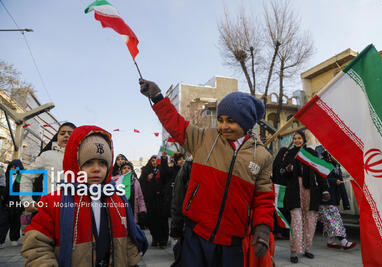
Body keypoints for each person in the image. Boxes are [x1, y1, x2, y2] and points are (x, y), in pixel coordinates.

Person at [139, 79, 275, 267]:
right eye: (220, 120)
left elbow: (264, 198)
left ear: (246, 122)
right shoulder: (204, 138)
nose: (223, 126)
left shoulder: (262, 156)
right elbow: (176, 124)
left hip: (232, 241)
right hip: (197, 234)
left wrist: (262, 230)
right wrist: (157, 97)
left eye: (231, 121)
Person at [21, 125, 148, 266]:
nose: (96, 169)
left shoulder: (117, 199)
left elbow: (127, 241)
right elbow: (37, 246)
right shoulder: (52, 201)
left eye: (102, 163)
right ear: (75, 164)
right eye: (88, 163)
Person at [281, 130, 330, 263]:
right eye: (295, 138)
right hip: (294, 192)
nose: (297, 140)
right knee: (296, 222)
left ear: (304, 139)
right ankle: (294, 252)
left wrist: (325, 189)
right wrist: (287, 170)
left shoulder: (311, 153)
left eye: (299, 138)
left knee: (310, 221)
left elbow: (320, 172)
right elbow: (281, 173)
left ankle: (307, 249)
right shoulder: (289, 154)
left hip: (310, 191)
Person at [20, 122, 76, 212]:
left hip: (76, 209)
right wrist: (27, 201)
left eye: (70, 133)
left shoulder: (83, 158)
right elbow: (27, 176)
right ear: (57, 137)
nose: (66, 135)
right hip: (49, 209)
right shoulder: (47, 155)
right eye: (62, 133)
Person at [319, 151, 357, 250]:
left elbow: (341, 185)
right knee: (335, 220)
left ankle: (330, 241)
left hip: (334, 197)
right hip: (326, 197)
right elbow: (321, 179)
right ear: (328, 155)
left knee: (330, 221)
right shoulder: (323, 164)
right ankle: (344, 242)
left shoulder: (337, 166)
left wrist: (345, 202)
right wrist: (334, 181)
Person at [139, 155, 169, 248]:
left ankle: (163, 240)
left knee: (162, 220)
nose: (154, 162)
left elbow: (166, 181)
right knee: (152, 221)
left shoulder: (162, 170)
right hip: (151, 201)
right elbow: (141, 183)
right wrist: (147, 179)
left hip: (161, 200)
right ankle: (155, 239)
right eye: (152, 161)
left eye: (156, 160)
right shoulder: (146, 170)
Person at [0, 160, 25, 248]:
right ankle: (1, 241)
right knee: (3, 222)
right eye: (11, 167)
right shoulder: (5, 177)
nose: (13, 169)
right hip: (5, 204)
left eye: (15, 167)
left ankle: (14, 239)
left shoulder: (22, 178)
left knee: (16, 222)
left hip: (17, 204)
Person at [118, 160, 147, 226]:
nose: (127, 170)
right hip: (120, 212)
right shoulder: (117, 181)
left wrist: (143, 211)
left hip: (133, 212)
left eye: (129, 168)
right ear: (121, 171)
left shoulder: (136, 182)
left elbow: (140, 198)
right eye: (124, 168)